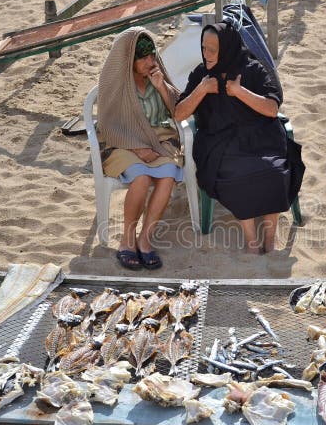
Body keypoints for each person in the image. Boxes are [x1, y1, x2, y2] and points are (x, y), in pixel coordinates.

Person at [175, 21, 304, 254]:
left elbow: (272, 109)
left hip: (260, 139)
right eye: (204, 48)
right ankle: (252, 242)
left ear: (227, 47)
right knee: (239, 175)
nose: (207, 54)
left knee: (274, 171)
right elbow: (179, 113)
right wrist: (201, 90)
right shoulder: (201, 75)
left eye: (213, 49)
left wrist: (239, 92)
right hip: (219, 144)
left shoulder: (253, 69)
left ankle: (269, 239)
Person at [97, 27, 183, 270]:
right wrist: (137, 148)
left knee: (167, 176)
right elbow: (107, 125)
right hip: (122, 143)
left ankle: (145, 239)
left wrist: (162, 87)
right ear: (129, 60)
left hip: (160, 141)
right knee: (142, 178)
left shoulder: (157, 76)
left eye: (152, 56)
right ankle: (127, 240)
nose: (150, 62)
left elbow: (179, 109)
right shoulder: (115, 83)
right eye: (143, 58)